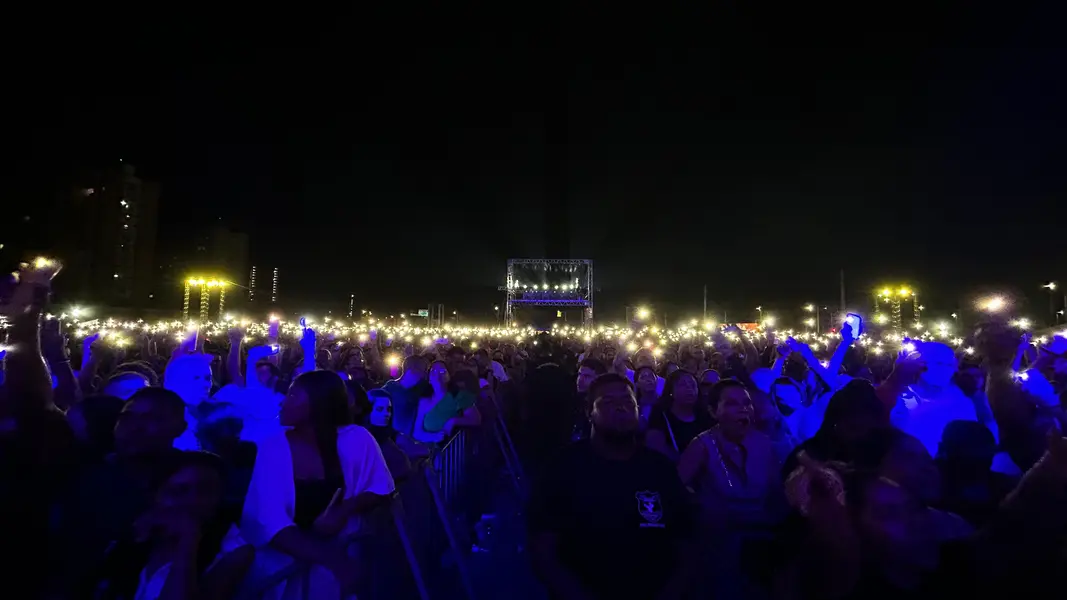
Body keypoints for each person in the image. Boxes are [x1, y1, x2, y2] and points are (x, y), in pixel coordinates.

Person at [528, 373, 694, 600]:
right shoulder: (562, 469)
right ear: (589, 413)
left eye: (628, 402)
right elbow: (544, 553)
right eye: (608, 402)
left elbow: (684, 546)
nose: (621, 408)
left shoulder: (659, 469)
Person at [240, 370, 395, 598]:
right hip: (282, 569)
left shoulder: (357, 438)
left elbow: (381, 488)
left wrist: (344, 510)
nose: (284, 401)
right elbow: (267, 519)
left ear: (317, 404)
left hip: (336, 566)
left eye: (293, 396)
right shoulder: (274, 446)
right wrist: (334, 560)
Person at [90, 451, 254, 600]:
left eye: (206, 491)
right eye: (179, 491)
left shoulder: (233, 549)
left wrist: (189, 539)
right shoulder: (136, 537)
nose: (193, 501)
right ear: (155, 496)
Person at [645, 370, 712, 461]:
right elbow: (655, 447)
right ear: (671, 390)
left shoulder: (705, 415)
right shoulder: (661, 415)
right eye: (683, 385)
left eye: (692, 385)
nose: (689, 388)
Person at [381, 355, 429, 437]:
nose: (425, 375)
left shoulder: (418, 391)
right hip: (392, 438)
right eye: (423, 371)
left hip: (410, 440)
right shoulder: (390, 389)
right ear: (412, 371)